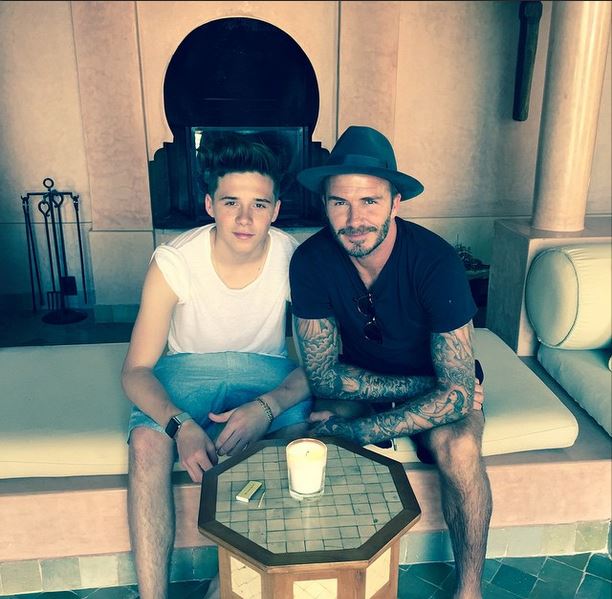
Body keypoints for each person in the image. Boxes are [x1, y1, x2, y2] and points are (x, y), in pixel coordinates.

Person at [289, 126, 491, 599]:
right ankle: (330, 579)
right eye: (340, 202)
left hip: (438, 383)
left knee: (461, 448)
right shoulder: (310, 261)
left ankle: (469, 591)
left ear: (395, 202)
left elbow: (458, 393)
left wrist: (364, 430)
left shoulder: (435, 261)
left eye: (370, 201)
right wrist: (423, 388)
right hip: (377, 382)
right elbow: (323, 376)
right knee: (317, 437)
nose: (354, 218)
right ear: (325, 204)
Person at [122, 134, 311, 599]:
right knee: (146, 443)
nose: (245, 219)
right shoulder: (174, 262)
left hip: (265, 373)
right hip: (188, 372)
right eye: (231, 202)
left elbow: (318, 364)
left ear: (275, 210)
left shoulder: (295, 258)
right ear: (210, 205)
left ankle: (232, 582)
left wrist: (267, 407)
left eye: (259, 205)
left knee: (295, 445)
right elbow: (136, 370)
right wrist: (180, 425)